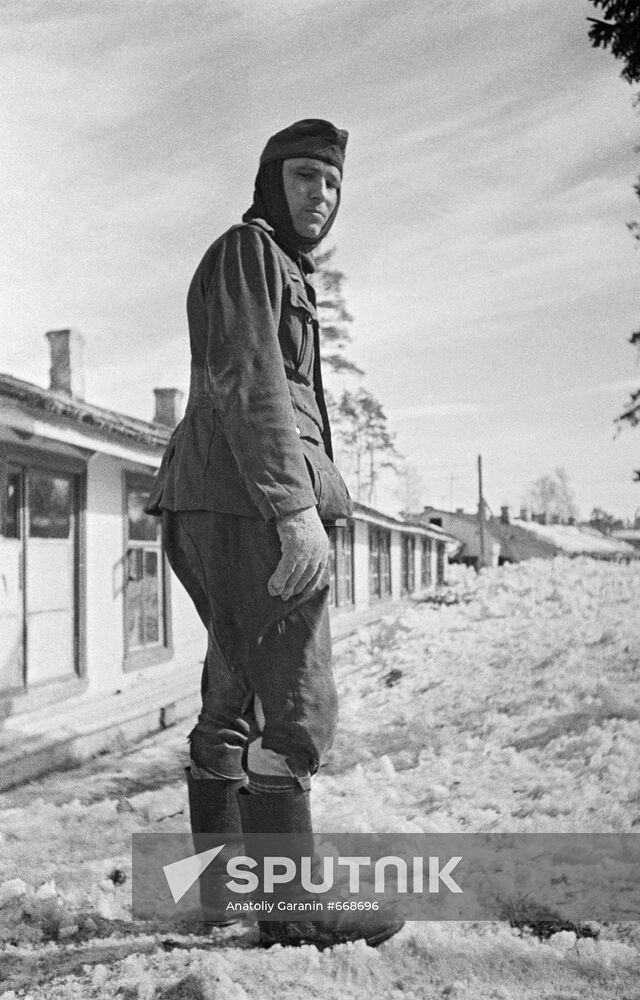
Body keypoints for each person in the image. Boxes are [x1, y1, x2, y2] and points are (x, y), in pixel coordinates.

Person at [146, 119, 402, 949]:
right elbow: (252, 380)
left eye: (330, 183)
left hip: (219, 499)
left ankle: (220, 890)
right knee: (293, 702)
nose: (319, 196)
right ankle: (292, 909)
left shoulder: (273, 265)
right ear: (269, 182)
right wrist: (294, 510)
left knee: (234, 695)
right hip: (253, 504)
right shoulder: (250, 253)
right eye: (303, 178)